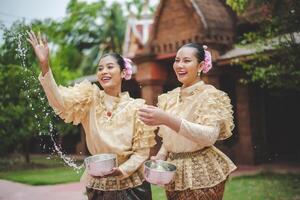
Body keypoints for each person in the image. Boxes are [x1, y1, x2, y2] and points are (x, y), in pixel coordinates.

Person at [27, 31, 156, 200]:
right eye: (100, 68)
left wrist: (122, 171)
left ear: (123, 73)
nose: (104, 72)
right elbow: (59, 102)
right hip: (99, 185)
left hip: (133, 186)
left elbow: (142, 152)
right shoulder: (89, 98)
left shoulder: (137, 107)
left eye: (110, 67)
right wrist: (45, 65)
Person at [138, 43, 236, 200]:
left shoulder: (209, 96)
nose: (179, 65)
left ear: (201, 65)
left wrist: (167, 119)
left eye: (186, 60)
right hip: (174, 171)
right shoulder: (170, 98)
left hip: (202, 169)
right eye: (177, 60)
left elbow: (210, 136)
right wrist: (161, 155)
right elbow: (170, 136)